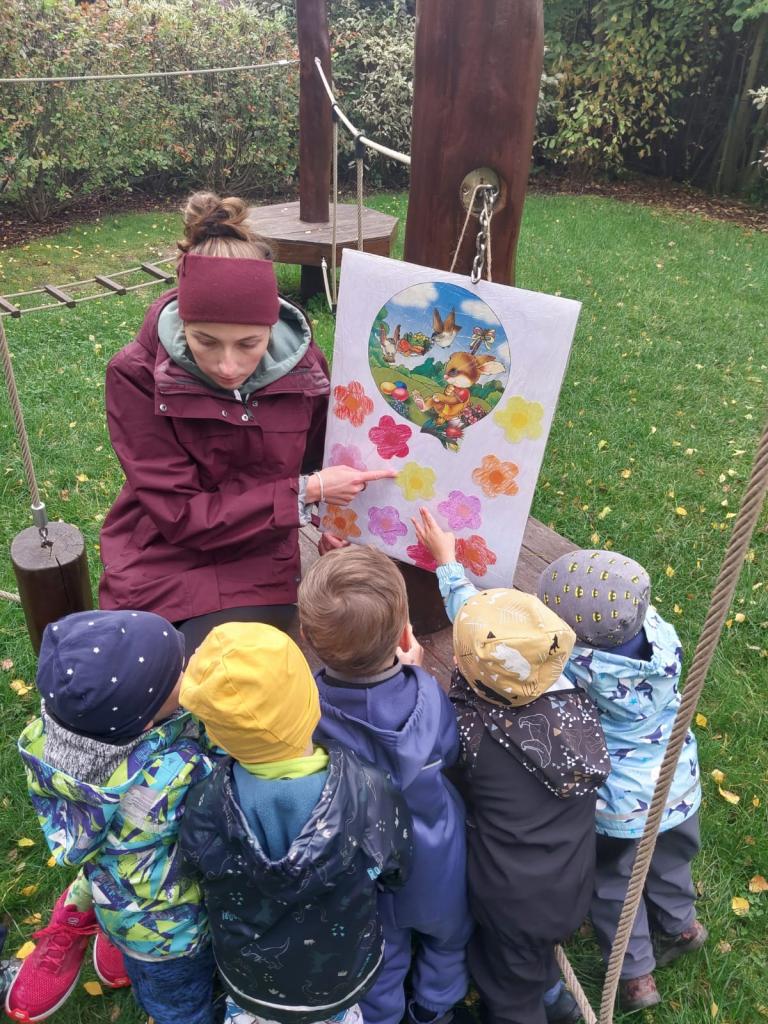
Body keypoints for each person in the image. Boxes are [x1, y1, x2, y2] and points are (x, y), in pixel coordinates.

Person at [99, 190, 394, 653]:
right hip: (160, 552)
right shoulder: (135, 374)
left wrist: (332, 517)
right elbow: (179, 515)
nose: (228, 365)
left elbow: (321, 455)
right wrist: (306, 493)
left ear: (272, 327)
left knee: (221, 674)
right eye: (205, 341)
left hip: (259, 557)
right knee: (135, 671)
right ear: (182, 322)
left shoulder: (306, 367)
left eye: (249, 344)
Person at [413, 509, 610, 1024]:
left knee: (506, 985)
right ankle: (556, 999)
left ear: (466, 667)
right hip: (570, 879)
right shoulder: (573, 698)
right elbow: (493, 638)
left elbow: (434, 761)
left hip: (509, 899)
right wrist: (448, 564)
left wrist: (414, 679)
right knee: (528, 959)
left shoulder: (470, 734)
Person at [178, 623, 413, 1024]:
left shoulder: (205, 801)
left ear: (217, 734)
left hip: (251, 981)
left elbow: (193, 871)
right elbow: (397, 866)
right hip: (340, 975)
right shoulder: (367, 788)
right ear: (311, 700)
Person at [7, 610, 215, 1024]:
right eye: (178, 670)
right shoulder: (176, 772)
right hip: (175, 935)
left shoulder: (53, 740)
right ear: (147, 719)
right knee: (182, 1006)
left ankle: (113, 939)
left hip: (120, 901)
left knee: (152, 982)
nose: (188, 666)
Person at [298, 545, 472, 1024]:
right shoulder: (428, 693)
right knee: (449, 939)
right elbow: (450, 750)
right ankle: (435, 1008)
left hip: (362, 867)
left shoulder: (305, 708)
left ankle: (382, 1017)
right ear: (403, 633)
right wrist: (414, 672)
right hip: (436, 855)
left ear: (308, 637)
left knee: (379, 957)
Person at [538, 549, 706, 1014]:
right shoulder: (662, 637)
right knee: (671, 859)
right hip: (677, 785)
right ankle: (682, 925)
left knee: (615, 885)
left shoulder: (577, 666)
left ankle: (635, 976)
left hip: (623, 809)